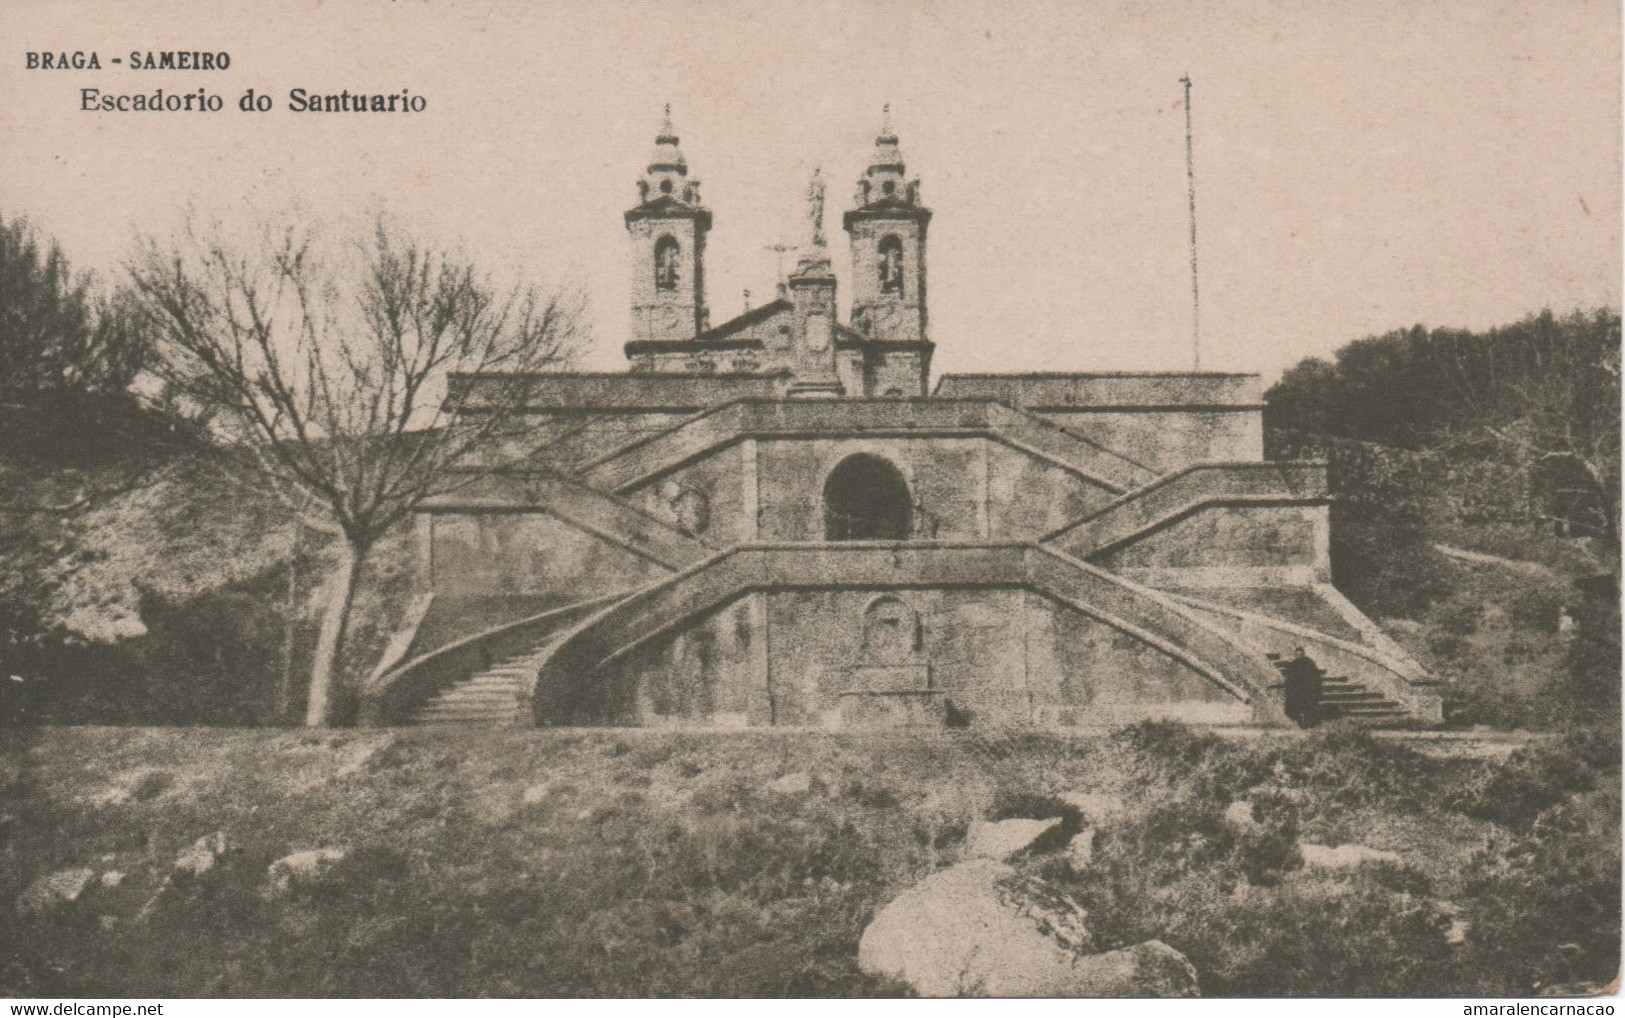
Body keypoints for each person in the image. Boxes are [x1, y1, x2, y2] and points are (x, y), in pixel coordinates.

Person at [1280, 646, 1324, 728]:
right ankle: (1300, 723)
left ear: (1303, 654)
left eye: (1300, 654)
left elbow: (1315, 676)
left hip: (1307, 690)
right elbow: (1289, 677)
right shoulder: (1293, 664)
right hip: (1297, 690)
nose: (1299, 656)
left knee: (1307, 708)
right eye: (1297, 655)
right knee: (1296, 708)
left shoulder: (1309, 663)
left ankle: (1308, 724)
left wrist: (1315, 688)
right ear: (1295, 655)